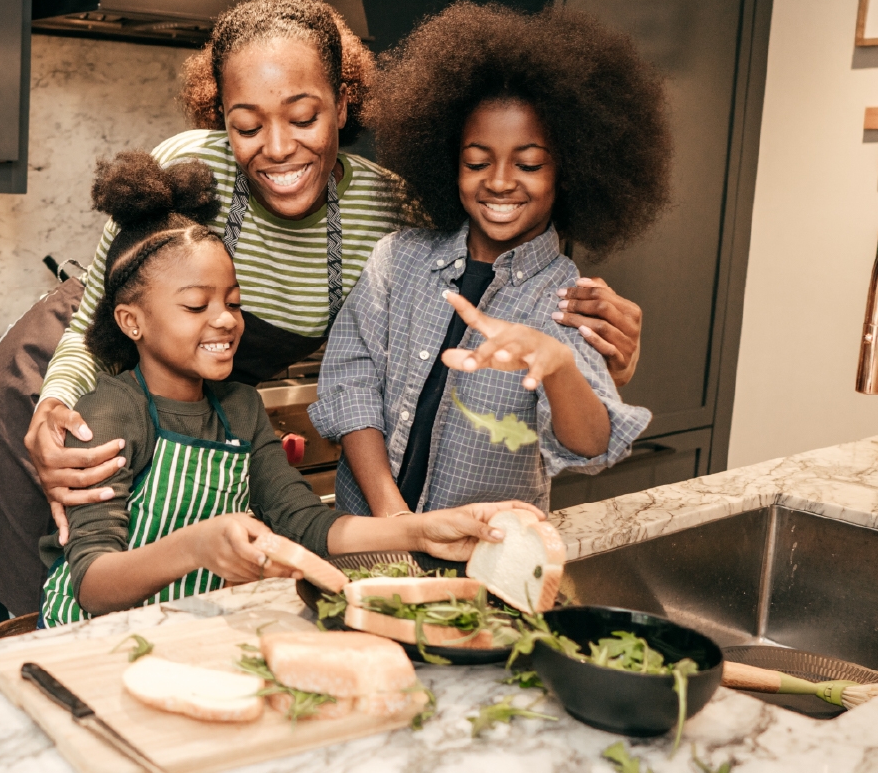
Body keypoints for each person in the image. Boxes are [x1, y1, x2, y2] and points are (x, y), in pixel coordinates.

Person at [38, 151, 538, 626]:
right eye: (195, 306)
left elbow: (308, 526)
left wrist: (422, 530)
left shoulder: (240, 407)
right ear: (131, 322)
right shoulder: (108, 412)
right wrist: (195, 546)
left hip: (193, 630)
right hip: (97, 637)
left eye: (233, 303)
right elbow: (91, 583)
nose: (224, 321)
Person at [308, 3, 672, 517]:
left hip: (482, 557)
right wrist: (393, 519)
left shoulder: (568, 299)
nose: (499, 181)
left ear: (568, 172)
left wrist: (559, 363)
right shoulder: (398, 260)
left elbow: (591, 447)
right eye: (477, 161)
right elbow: (350, 385)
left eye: (528, 163)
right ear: (448, 160)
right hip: (368, 536)